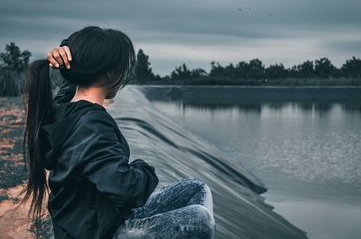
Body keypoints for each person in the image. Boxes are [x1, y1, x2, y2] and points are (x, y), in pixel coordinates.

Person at [17, 26, 216, 238]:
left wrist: (67, 48)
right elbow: (125, 188)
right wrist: (144, 169)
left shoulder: (64, 107)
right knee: (199, 220)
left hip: (91, 220)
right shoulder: (93, 124)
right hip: (98, 232)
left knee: (195, 187)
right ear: (111, 74)